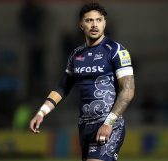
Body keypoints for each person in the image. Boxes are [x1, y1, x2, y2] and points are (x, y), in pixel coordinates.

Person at [30, 3, 135, 161]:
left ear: (104, 23)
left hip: (108, 123)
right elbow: (62, 89)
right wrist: (41, 113)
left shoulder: (116, 51)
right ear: (81, 25)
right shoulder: (76, 55)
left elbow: (128, 90)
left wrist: (109, 123)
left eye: (99, 20)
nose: (94, 24)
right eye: (89, 20)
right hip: (84, 127)